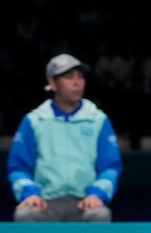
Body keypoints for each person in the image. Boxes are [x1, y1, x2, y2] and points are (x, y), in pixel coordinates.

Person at [7, 54, 123, 222]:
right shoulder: (35, 121)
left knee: (100, 215)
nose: (77, 83)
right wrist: (30, 194)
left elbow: (110, 167)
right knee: (25, 215)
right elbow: (18, 167)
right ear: (53, 83)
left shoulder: (97, 120)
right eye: (68, 77)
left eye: (80, 77)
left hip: (85, 202)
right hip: (45, 203)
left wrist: (97, 194)